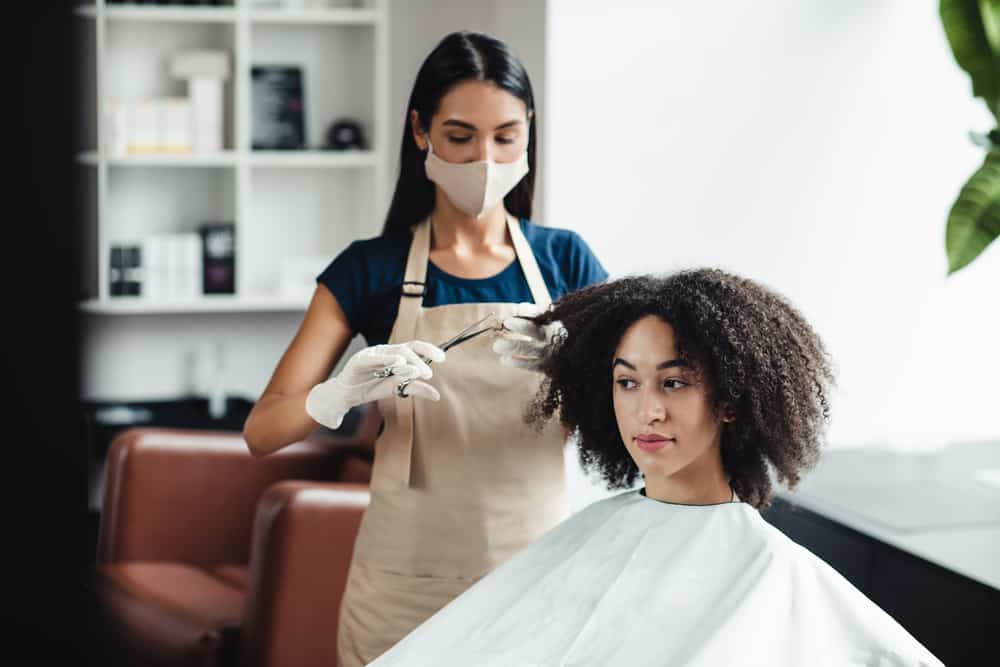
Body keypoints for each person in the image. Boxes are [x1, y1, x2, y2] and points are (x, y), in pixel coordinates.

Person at [241, 31, 607, 667]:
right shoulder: (367, 270)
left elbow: (636, 419)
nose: (484, 160)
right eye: (460, 136)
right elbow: (263, 431)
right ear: (421, 132)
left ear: (529, 134)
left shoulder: (565, 261)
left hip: (537, 580)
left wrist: (581, 368)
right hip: (403, 590)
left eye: (506, 137)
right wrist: (339, 395)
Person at [369, 270, 944, 666]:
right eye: (626, 381)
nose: (648, 409)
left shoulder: (768, 571)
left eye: (674, 381)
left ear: (732, 399)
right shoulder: (590, 537)